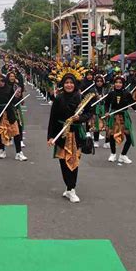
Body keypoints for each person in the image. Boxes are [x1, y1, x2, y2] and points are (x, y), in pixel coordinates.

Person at [47, 62, 92, 203]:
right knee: (63, 162)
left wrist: (80, 118)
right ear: (63, 84)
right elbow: (52, 119)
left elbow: (89, 113)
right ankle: (68, 187)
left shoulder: (80, 98)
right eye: (66, 82)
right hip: (61, 134)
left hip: (76, 134)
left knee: (74, 162)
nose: (69, 85)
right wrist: (50, 136)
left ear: (75, 84)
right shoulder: (58, 99)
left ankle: (72, 189)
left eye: (71, 83)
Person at [0, 74, 27, 161]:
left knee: (16, 132)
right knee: (0, 132)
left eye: (2, 81)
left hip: (10, 113)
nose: (1, 83)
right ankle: (2, 150)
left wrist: (17, 96)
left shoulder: (10, 89)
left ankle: (19, 153)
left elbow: (14, 101)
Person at [105, 76, 136, 165]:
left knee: (129, 138)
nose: (118, 84)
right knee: (112, 136)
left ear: (123, 84)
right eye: (116, 82)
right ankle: (113, 154)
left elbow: (134, 106)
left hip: (124, 116)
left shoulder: (127, 94)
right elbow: (106, 104)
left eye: (120, 82)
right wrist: (107, 112)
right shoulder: (111, 94)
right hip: (113, 116)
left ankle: (123, 155)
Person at [89, 74, 109, 148]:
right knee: (96, 126)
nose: (99, 82)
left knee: (107, 126)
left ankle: (107, 142)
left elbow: (109, 100)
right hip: (95, 109)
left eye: (101, 81)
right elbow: (89, 101)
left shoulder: (107, 89)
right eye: (97, 81)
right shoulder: (92, 90)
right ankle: (96, 141)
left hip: (105, 109)